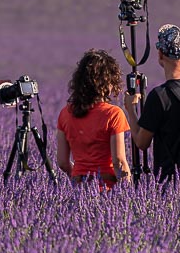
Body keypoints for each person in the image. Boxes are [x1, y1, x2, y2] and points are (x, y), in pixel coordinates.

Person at [122, 24, 180, 182]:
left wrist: (130, 109)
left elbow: (141, 142)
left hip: (171, 182)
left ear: (160, 55)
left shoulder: (160, 96)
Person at [55, 49, 132, 188]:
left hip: (77, 187)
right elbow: (119, 162)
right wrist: (129, 191)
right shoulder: (113, 114)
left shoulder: (65, 113)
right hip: (107, 189)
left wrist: (80, 178)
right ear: (107, 81)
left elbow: (62, 162)